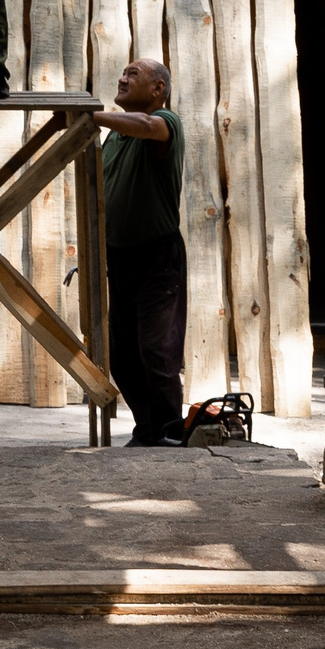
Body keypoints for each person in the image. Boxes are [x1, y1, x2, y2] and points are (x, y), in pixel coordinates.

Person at [93, 58, 187, 446]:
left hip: (157, 257)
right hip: (119, 256)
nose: (122, 78)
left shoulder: (165, 122)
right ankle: (148, 427)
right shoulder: (114, 137)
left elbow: (148, 127)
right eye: (123, 73)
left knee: (156, 349)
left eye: (133, 74)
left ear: (157, 89)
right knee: (123, 356)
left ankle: (169, 432)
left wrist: (93, 116)